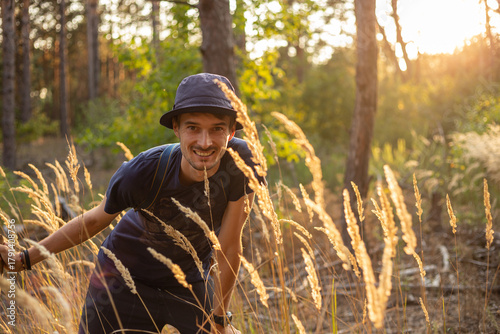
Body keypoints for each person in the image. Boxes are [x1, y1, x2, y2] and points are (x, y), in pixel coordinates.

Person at [1, 73, 265, 334]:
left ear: (231, 131)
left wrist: (219, 319)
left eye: (217, 129)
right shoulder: (143, 171)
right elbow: (93, 220)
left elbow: (229, 245)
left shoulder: (242, 164)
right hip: (121, 279)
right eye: (193, 127)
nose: (205, 142)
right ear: (176, 128)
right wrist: (22, 259)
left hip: (188, 280)